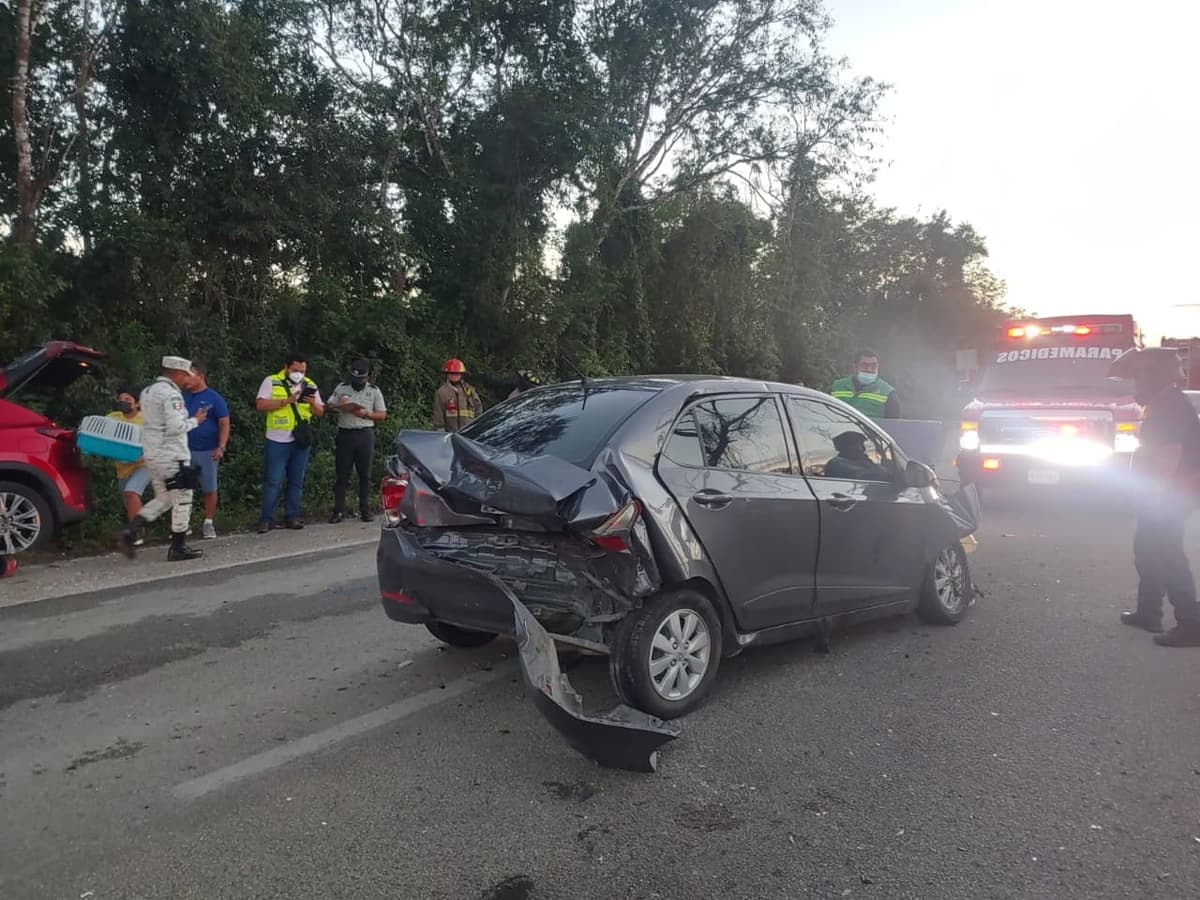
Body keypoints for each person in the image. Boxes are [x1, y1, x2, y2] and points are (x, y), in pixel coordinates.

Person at [1112, 348, 1200, 647]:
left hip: (1172, 491)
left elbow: (1171, 452)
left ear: (1153, 376)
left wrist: (1156, 493)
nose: (1135, 385)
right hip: (1167, 490)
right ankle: (1148, 612)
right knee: (1148, 548)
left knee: (1168, 553)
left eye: (1138, 378)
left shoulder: (1170, 407)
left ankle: (1191, 623)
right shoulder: (1164, 403)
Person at [119, 356, 208, 561]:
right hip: (172, 455)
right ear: (176, 373)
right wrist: (196, 420)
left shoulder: (147, 392)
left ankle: (132, 531)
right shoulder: (171, 396)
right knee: (183, 498)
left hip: (152, 455)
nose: (187, 379)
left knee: (164, 498)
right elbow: (176, 427)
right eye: (185, 374)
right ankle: (178, 547)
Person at [255, 352, 325, 532]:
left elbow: (320, 412)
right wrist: (286, 401)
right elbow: (261, 405)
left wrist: (312, 403)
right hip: (277, 440)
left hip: (300, 440)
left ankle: (292, 516)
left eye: (302, 370)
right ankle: (266, 518)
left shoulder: (310, 385)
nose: (299, 374)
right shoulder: (271, 381)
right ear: (286, 367)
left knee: (296, 481)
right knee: (273, 481)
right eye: (295, 370)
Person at [327, 357, 387, 523]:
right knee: (342, 474)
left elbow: (382, 414)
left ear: (366, 378)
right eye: (355, 379)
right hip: (345, 434)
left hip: (364, 433)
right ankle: (338, 510)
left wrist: (366, 414)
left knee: (365, 475)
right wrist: (339, 404)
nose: (357, 382)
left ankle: (365, 509)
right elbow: (328, 407)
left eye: (361, 379)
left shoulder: (373, 391)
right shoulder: (341, 387)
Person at [184, 361, 231, 540]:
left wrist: (221, 446)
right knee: (183, 488)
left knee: (209, 488)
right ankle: (183, 524)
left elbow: (224, 423)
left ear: (200, 376)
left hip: (207, 450)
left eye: (189, 375)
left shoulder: (214, 398)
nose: (186, 380)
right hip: (184, 450)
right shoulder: (182, 397)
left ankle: (208, 522)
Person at [108, 385, 152, 532]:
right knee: (129, 499)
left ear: (137, 403)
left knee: (131, 492)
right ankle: (141, 527)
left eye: (128, 399)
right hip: (122, 469)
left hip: (144, 465)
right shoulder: (112, 418)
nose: (123, 402)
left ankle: (135, 533)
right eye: (121, 399)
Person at [830, 349, 901, 419]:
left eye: (873, 366)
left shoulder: (888, 393)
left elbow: (894, 426)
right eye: (864, 365)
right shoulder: (837, 387)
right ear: (855, 367)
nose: (869, 369)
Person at [433, 358, 483, 432]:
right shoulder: (441, 393)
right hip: (451, 435)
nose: (454, 376)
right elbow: (438, 415)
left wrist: (477, 427)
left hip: (468, 433)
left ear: (461, 374)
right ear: (447, 374)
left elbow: (478, 409)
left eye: (457, 373)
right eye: (452, 373)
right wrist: (441, 433)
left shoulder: (468, 390)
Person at [824, 431, 891, 481]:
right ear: (846, 447)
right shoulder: (837, 464)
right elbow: (866, 476)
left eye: (862, 445)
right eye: (859, 444)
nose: (863, 449)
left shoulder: (862, 462)